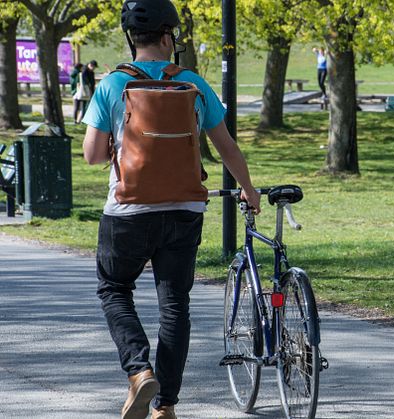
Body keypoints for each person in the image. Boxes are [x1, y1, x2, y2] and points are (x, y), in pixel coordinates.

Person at [81, 1, 261, 418]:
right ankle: (166, 407)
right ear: (168, 37)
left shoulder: (111, 84)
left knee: (114, 289)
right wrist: (248, 189)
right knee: (175, 304)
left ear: (132, 39)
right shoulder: (194, 82)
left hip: (127, 209)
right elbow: (226, 146)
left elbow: (92, 155)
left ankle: (139, 370)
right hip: (184, 208)